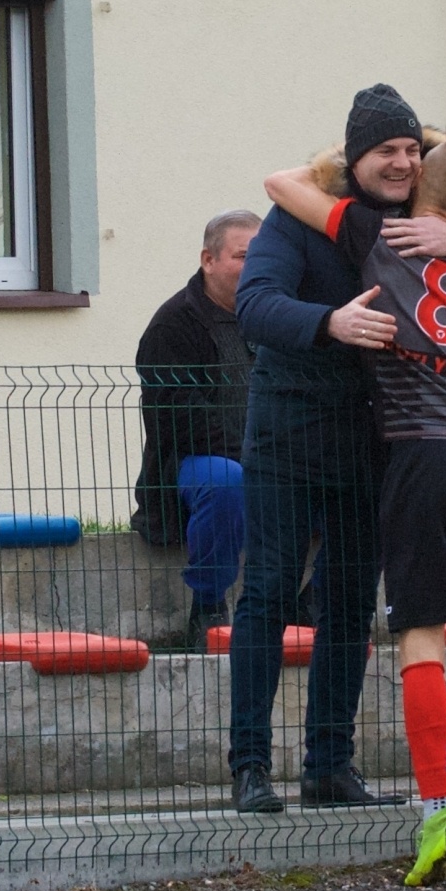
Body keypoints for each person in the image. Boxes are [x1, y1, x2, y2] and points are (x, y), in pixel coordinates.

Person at [228, 84, 446, 814]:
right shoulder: (307, 216)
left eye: (413, 149)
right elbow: (254, 305)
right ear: (355, 157)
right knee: (270, 593)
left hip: (378, 444)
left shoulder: (429, 221)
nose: (403, 162)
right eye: (388, 150)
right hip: (288, 431)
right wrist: (330, 323)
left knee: (348, 604)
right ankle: (250, 765)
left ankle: (329, 766)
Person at [132, 209, 261, 650]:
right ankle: (207, 606)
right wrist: (257, 457)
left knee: (368, 488)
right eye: (243, 255)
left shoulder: (275, 316)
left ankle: (315, 601)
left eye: (262, 255)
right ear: (209, 260)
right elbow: (179, 422)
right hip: (190, 469)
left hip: (276, 462)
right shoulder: (174, 325)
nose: (256, 265)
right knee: (227, 482)